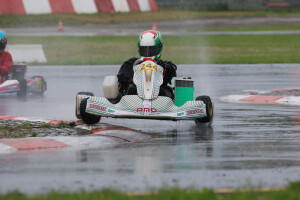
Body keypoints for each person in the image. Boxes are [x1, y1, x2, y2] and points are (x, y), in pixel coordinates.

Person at [117, 30, 177, 100]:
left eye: (152, 50)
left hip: (159, 98)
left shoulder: (163, 65)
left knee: (169, 90)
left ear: (160, 48)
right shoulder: (130, 64)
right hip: (134, 98)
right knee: (131, 88)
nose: (148, 53)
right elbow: (121, 79)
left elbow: (172, 69)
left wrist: (163, 67)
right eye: (144, 50)